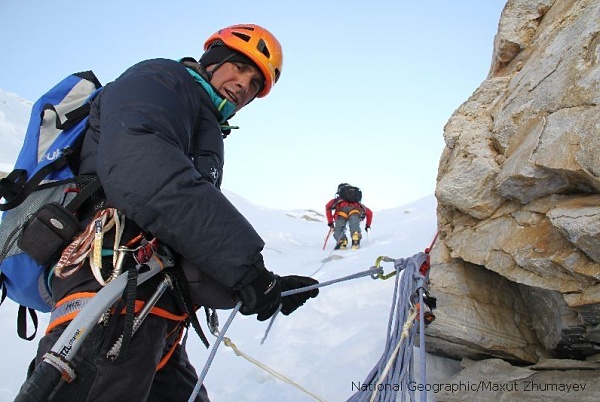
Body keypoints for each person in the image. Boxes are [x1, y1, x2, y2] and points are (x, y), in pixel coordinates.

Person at [22, 23, 319, 402]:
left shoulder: (202, 121)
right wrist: (247, 269)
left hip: (155, 310)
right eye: (240, 67)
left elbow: (182, 229)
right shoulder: (161, 79)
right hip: (111, 295)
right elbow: (146, 172)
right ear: (213, 58)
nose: (245, 85)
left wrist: (264, 286)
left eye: (256, 84)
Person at [325, 183, 373, 250]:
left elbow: (327, 207)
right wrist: (368, 225)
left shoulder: (338, 200)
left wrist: (330, 222)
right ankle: (355, 236)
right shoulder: (357, 202)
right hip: (355, 211)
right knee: (354, 226)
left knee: (338, 230)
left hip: (341, 213)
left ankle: (342, 240)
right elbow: (369, 213)